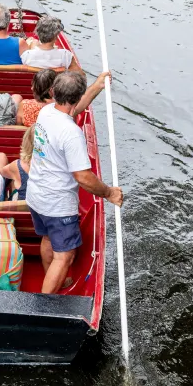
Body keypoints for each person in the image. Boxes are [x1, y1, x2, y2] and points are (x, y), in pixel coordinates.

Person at [26, 71, 123, 295]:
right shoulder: (72, 133)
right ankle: (44, 307)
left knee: (48, 237)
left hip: (36, 196)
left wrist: (98, 86)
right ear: (76, 98)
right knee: (65, 256)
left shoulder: (47, 111)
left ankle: (53, 277)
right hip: (57, 204)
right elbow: (83, 177)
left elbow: (73, 110)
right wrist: (109, 192)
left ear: (53, 92)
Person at [16, 67, 112, 127]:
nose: (32, 88)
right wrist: (98, 85)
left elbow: (18, 125)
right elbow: (81, 104)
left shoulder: (24, 105)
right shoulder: (60, 109)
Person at [0, 126, 34, 202]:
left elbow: (2, 173)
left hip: (22, 210)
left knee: (13, 178)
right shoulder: (59, 168)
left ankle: (6, 197)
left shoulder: (18, 166)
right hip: (47, 210)